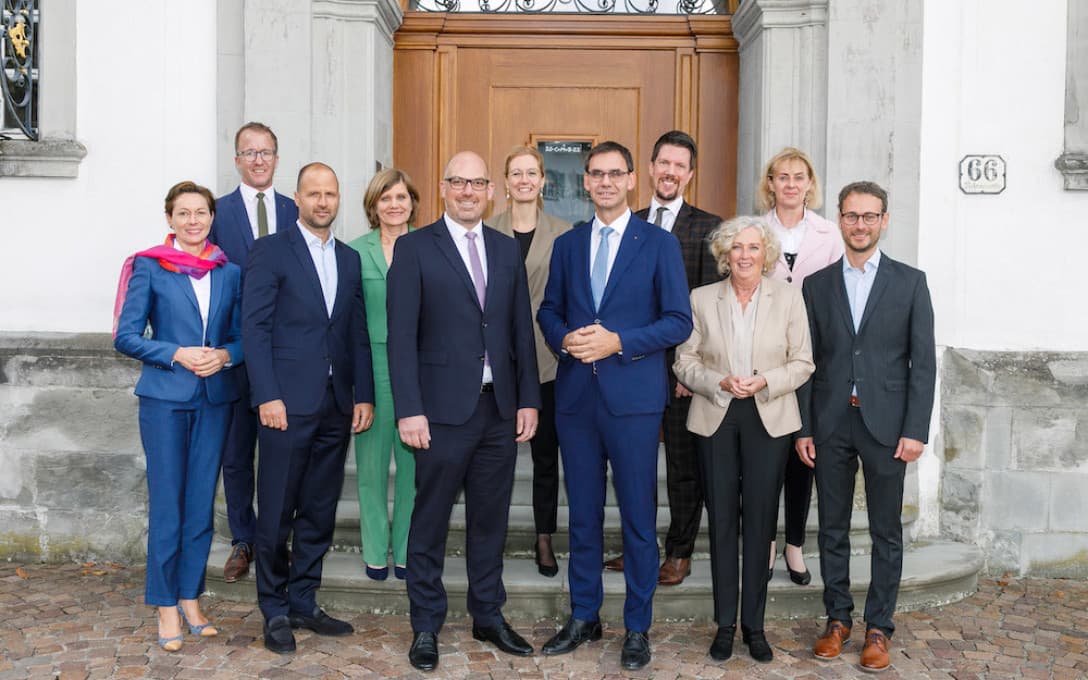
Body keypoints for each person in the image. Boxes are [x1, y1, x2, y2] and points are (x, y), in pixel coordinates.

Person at [537, 141, 692, 671]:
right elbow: (549, 310)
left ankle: (637, 626)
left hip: (634, 402)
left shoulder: (659, 244)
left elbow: (678, 321)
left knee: (638, 520)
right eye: (596, 174)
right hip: (577, 400)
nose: (605, 182)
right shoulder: (568, 244)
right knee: (582, 515)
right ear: (585, 181)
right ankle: (584, 615)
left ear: (631, 180)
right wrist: (565, 339)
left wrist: (619, 342)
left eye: (614, 174)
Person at [387, 151, 540, 672]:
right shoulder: (414, 248)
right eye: (459, 182)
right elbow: (400, 338)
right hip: (438, 413)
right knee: (429, 519)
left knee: (490, 521)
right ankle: (425, 623)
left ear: (491, 191)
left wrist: (528, 399)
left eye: (477, 183)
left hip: (498, 410)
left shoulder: (505, 249)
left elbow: (520, 330)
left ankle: (488, 615)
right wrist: (409, 409)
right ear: (443, 187)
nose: (468, 191)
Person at [797, 181, 936, 673]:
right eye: (852, 216)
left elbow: (923, 363)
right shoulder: (816, 285)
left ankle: (879, 628)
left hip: (888, 425)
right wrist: (804, 428)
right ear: (840, 219)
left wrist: (915, 429)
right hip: (831, 421)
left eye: (870, 216)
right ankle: (837, 619)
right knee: (831, 528)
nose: (860, 225)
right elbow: (807, 361)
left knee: (885, 531)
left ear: (884, 220)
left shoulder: (910, 282)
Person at [242, 162, 376, 655]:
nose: (322, 201)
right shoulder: (270, 251)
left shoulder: (348, 258)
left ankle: (303, 600)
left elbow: (355, 331)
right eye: (313, 193)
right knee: (277, 511)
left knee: (319, 510)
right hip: (285, 404)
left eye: (330, 194)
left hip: (335, 405)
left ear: (339, 199)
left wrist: (363, 393)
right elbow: (254, 328)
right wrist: (266, 395)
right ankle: (274, 608)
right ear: (296, 198)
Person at [673, 215, 814, 663]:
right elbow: (684, 361)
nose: (745, 255)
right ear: (724, 255)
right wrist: (718, 381)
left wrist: (765, 380)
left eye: (753, 247)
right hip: (716, 413)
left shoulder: (789, 297)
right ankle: (724, 624)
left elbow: (803, 362)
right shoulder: (701, 298)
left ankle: (754, 625)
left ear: (766, 254)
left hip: (768, 416)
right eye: (736, 247)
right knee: (721, 523)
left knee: (759, 521)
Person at [113, 181, 243, 652]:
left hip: (214, 398)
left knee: (200, 503)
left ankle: (190, 596)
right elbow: (126, 336)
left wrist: (225, 356)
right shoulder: (149, 266)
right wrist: (176, 353)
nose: (193, 220)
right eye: (183, 213)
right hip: (165, 400)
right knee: (168, 503)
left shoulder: (229, 272)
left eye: (201, 212)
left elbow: (243, 336)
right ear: (169, 219)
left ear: (212, 217)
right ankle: (165, 603)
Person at [604, 130, 722, 586]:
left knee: (682, 466)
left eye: (680, 166)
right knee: (632, 464)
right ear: (651, 169)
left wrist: (692, 369)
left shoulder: (708, 227)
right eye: (664, 163)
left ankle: (679, 551)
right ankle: (639, 546)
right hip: (630, 366)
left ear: (690, 174)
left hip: (681, 371)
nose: (671, 172)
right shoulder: (626, 222)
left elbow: (709, 307)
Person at [209, 122, 299, 583]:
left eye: (266, 152)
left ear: (277, 159)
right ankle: (243, 540)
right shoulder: (217, 213)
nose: (258, 160)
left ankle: (276, 539)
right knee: (237, 452)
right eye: (250, 152)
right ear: (237, 160)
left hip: (286, 353)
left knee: (283, 452)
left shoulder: (295, 210)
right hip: (235, 350)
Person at [756, 146, 844, 585]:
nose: (790, 184)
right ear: (770, 183)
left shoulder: (830, 233)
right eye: (782, 176)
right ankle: (766, 543)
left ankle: (794, 544)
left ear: (810, 184)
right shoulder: (754, 230)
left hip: (815, 357)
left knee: (803, 454)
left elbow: (838, 293)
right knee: (765, 456)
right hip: (765, 356)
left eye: (798, 176)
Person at [490, 145, 571, 578]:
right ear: (505, 182)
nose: (524, 180)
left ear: (543, 181)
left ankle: (544, 536)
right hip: (495, 360)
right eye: (516, 173)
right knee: (493, 456)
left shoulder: (565, 233)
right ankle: (491, 535)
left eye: (531, 173)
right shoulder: (486, 229)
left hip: (547, 359)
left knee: (545, 457)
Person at [346, 169, 421, 581]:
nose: (394, 205)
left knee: (414, 471)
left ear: (412, 202)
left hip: (418, 369)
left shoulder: (429, 247)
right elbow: (349, 322)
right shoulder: (354, 252)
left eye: (401, 197)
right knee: (371, 468)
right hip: (372, 368)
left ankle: (407, 552)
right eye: (386, 198)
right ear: (374, 206)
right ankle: (376, 552)